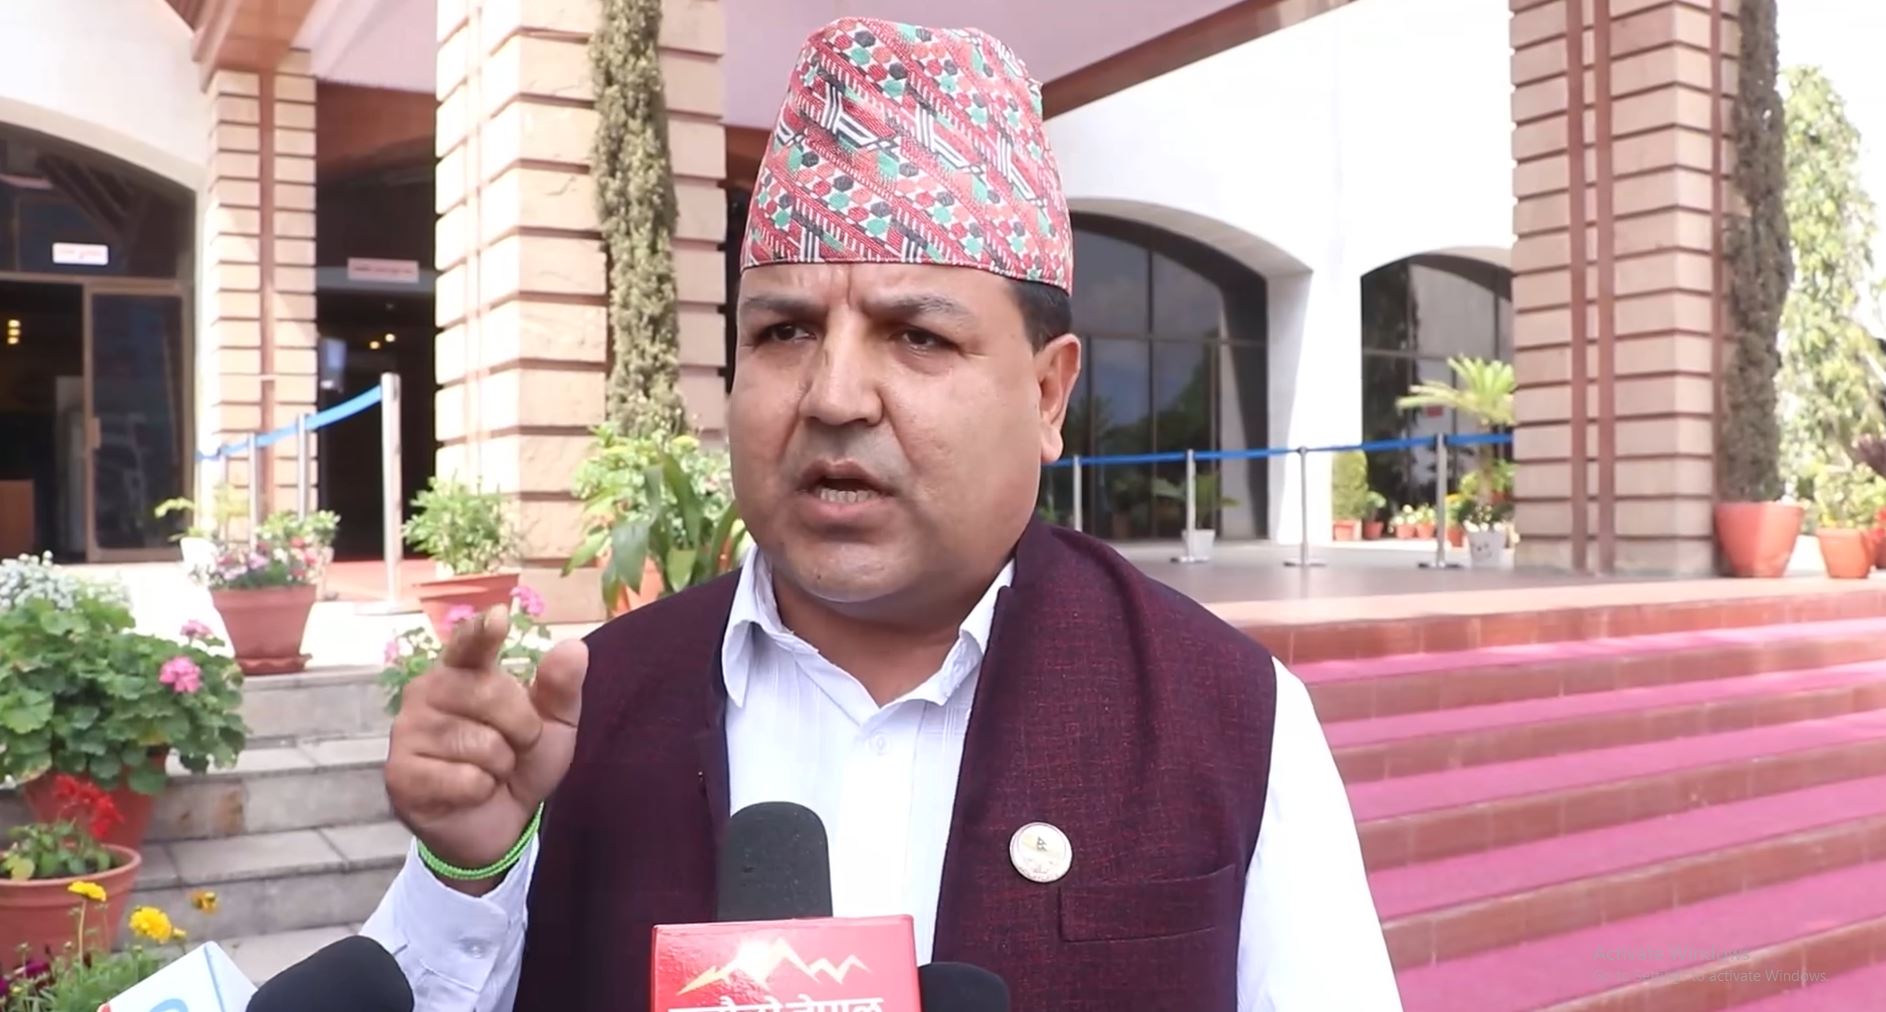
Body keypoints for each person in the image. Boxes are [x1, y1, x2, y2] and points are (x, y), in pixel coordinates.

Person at [362, 16, 1402, 1011]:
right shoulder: (584, 719)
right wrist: (468, 872)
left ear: (1048, 395)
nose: (833, 396)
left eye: (916, 337)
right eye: (784, 332)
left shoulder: (1224, 714)